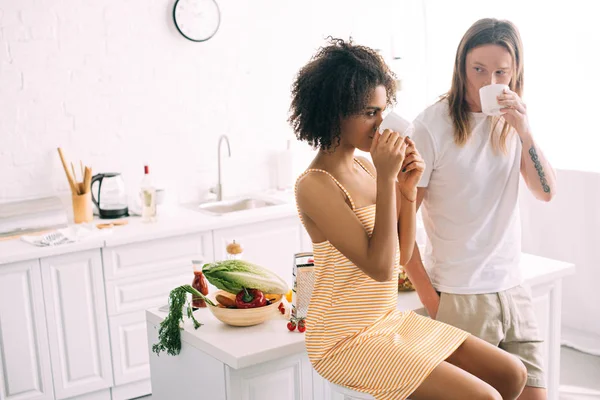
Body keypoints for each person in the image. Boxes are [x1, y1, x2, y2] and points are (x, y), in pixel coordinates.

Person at [291, 37, 527, 400]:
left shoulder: (365, 167)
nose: (381, 123)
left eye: (383, 111)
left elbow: (401, 256)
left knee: (512, 373)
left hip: (387, 322)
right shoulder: (315, 185)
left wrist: (405, 190)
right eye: (370, 112)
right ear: (336, 111)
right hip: (344, 338)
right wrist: (388, 180)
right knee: (486, 397)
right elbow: (381, 268)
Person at [406, 19, 557, 400]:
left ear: (515, 71)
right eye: (479, 70)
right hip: (460, 295)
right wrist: (432, 301)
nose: (490, 80)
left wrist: (524, 130)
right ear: (462, 68)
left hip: (513, 288)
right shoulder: (429, 126)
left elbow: (546, 192)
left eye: (501, 72)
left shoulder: (513, 122)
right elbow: (399, 224)